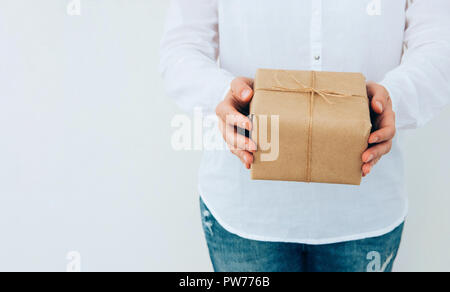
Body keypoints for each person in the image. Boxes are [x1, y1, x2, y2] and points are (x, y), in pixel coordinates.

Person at [160, 0, 450, 272]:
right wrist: (223, 96)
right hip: (245, 209)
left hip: (364, 212)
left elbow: (438, 46)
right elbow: (182, 46)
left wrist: (394, 100)